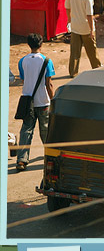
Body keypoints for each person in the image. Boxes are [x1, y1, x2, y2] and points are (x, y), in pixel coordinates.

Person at [16, 33, 55, 171]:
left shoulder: (22, 61)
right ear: (41, 44)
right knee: (45, 130)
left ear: (28, 44)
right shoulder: (46, 61)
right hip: (43, 101)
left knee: (26, 130)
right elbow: (48, 84)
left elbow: (24, 80)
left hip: (28, 102)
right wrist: (53, 100)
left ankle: (21, 160)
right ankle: (51, 157)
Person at [65, 0, 102, 78]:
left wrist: (69, 19)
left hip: (75, 26)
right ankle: (97, 68)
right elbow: (89, 15)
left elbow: (67, 7)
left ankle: (73, 72)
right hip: (85, 27)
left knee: (74, 51)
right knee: (92, 50)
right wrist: (92, 30)